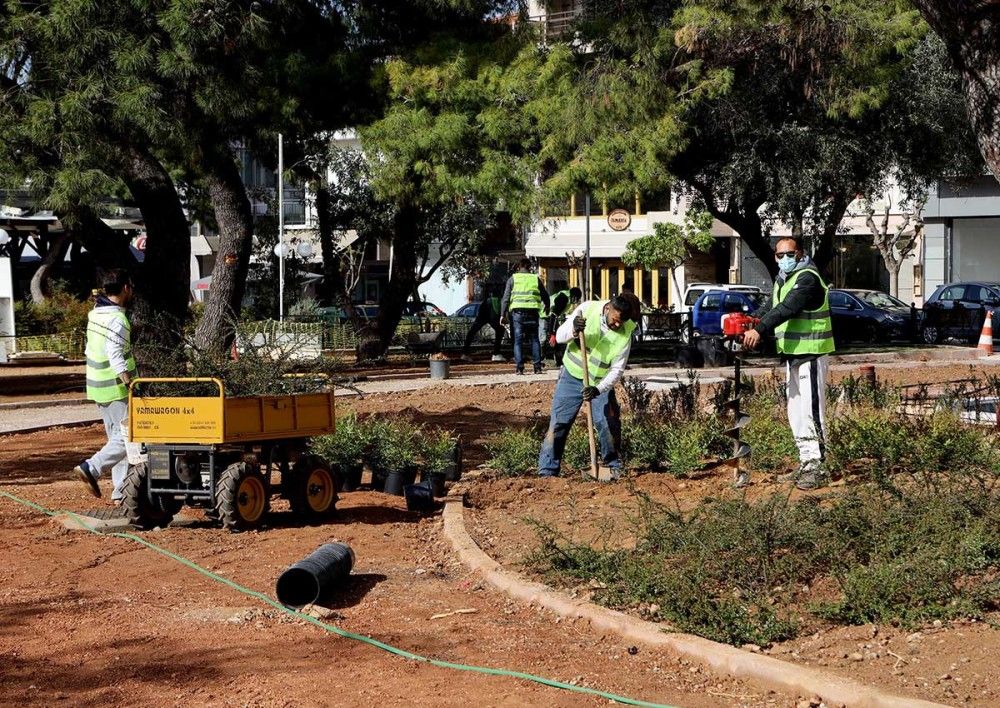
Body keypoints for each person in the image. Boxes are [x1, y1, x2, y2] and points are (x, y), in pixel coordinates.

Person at [742, 238, 835, 490]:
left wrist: (759, 330)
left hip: (812, 354)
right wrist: (751, 318)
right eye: (779, 254)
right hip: (792, 355)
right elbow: (773, 306)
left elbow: (788, 308)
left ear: (800, 253)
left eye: (789, 254)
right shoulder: (783, 277)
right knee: (795, 413)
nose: (784, 258)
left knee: (812, 412)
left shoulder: (808, 278)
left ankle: (818, 466)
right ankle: (806, 461)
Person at [537, 294, 636, 478]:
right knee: (558, 423)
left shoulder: (625, 334)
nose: (617, 325)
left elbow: (617, 370)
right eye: (615, 320)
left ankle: (612, 466)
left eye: (621, 322)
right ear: (608, 309)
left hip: (599, 383)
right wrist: (574, 330)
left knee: (607, 422)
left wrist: (598, 389)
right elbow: (559, 336)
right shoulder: (587, 309)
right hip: (572, 376)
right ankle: (547, 471)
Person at [72, 269, 138, 502]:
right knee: (128, 437)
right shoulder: (118, 320)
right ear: (126, 288)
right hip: (116, 387)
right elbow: (115, 355)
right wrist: (131, 384)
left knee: (117, 439)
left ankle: (121, 491)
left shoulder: (96, 314)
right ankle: (92, 467)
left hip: (98, 387)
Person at [500, 258, 549, 374]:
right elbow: (545, 295)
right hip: (533, 313)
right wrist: (547, 306)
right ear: (529, 267)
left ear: (519, 267)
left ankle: (519, 368)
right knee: (535, 339)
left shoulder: (513, 279)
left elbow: (505, 298)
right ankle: (537, 367)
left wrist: (502, 314)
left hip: (518, 314)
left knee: (518, 341)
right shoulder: (535, 279)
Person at [462, 287, 505, 361]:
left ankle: (465, 353)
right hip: (492, 315)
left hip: (483, 314)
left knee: (472, 331)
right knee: (500, 331)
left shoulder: (486, 300)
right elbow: (497, 312)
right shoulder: (498, 300)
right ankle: (496, 353)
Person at [545, 286, 582, 365]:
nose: (575, 302)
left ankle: (557, 360)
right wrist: (552, 333)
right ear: (573, 296)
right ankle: (549, 359)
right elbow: (553, 316)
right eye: (575, 299)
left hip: (550, 316)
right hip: (545, 315)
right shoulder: (563, 298)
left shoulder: (567, 298)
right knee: (547, 338)